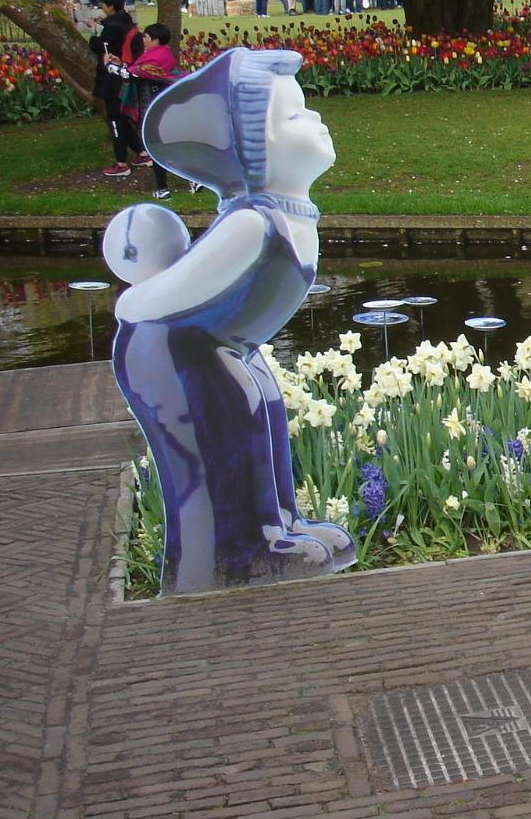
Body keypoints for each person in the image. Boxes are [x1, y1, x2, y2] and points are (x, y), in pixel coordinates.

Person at [111, 47, 355, 593]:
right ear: (253, 150)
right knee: (222, 435)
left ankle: (279, 524)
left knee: (262, 407)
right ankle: (231, 553)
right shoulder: (251, 223)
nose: (315, 118)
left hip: (227, 345)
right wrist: (133, 301)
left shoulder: (284, 212)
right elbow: (174, 292)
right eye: (294, 115)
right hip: (172, 353)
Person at [90, 0, 143, 179]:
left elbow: (99, 46)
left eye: (103, 4)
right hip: (123, 75)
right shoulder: (126, 21)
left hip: (113, 78)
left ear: (111, 6)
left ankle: (121, 163)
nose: (102, 7)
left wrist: (93, 33)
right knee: (122, 117)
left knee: (115, 119)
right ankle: (142, 153)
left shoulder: (112, 26)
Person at [127, 23, 181, 200]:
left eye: (146, 36)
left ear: (155, 40)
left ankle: (162, 189)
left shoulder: (157, 57)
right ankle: (193, 181)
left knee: (156, 148)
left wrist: (116, 68)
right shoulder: (161, 54)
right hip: (164, 106)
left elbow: (138, 72)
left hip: (155, 108)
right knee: (169, 146)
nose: (143, 39)